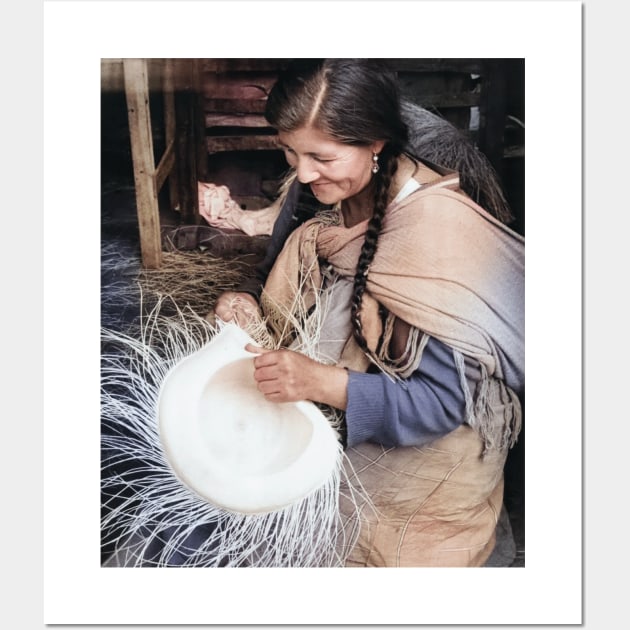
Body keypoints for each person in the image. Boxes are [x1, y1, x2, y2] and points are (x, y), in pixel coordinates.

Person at [212, 58, 524, 567]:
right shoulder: (325, 185)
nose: (302, 171)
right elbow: (277, 263)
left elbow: (439, 406)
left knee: (335, 535)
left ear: (376, 143)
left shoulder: (436, 242)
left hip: (425, 457)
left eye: (321, 157)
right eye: (289, 151)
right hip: (338, 394)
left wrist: (319, 384)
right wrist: (242, 298)